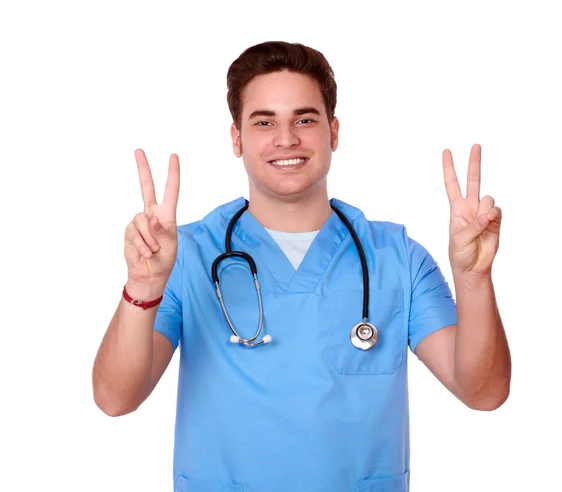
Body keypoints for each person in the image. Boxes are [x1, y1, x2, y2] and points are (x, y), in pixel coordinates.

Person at [92, 41, 511, 491]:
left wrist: (474, 280)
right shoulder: (186, 254)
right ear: (237, 139)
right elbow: (115, 399)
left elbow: (483, 393)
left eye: (304, 119)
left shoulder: (397, 257)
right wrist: (142, 285)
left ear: (333, 132)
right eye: (264, 122)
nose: (286, 139)